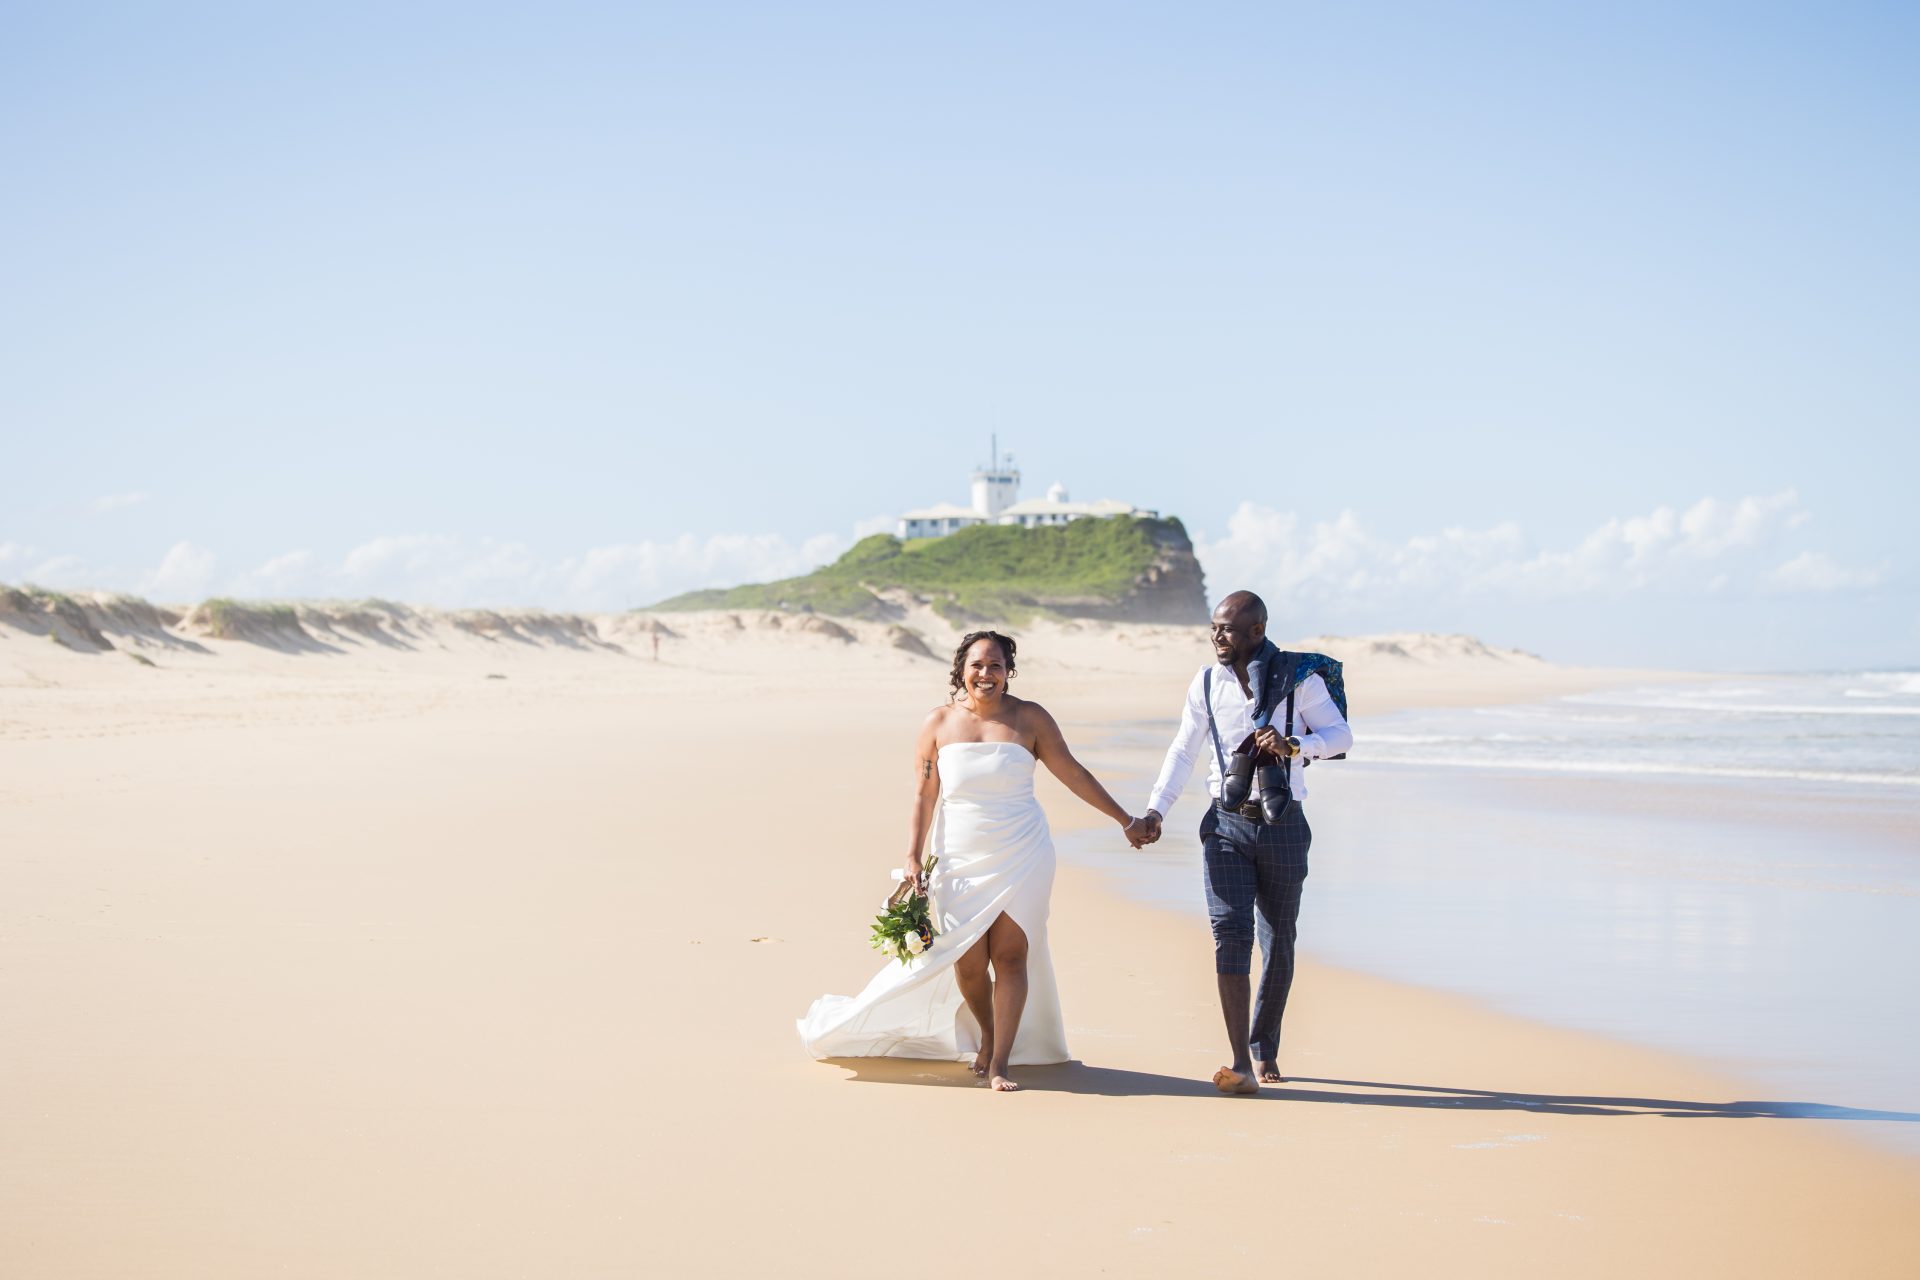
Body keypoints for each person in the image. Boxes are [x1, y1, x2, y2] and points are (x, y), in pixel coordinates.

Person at [797, 630, 1144, 1090]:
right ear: (961, 669)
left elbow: (1073, 773)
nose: (986, 674)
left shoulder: (1031, 718)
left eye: (996, 665)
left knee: (1011, 956)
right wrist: (912, 857)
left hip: (1023, 850)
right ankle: (986, 1032)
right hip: (958, 855)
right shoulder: (938, 724)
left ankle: (999, 1060)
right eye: (977, 665)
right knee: (967, 961)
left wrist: (1124, 819)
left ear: (1009, 672)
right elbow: (924, 794)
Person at [1134, 591, 1353, 1095]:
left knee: (1278, 943)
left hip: (1284, 825)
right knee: (1230, 936)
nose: (1217, 637)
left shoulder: (1300, 681)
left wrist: (1297, 745)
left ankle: (1263, 1046)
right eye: (1214, 627)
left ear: (1257, 631)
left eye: (1228, 629)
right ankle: (1239, 1061)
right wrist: (1155, 811)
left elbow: (1341, 736)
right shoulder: (1206, 682)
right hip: (1225, 825)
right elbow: (1183, 751)